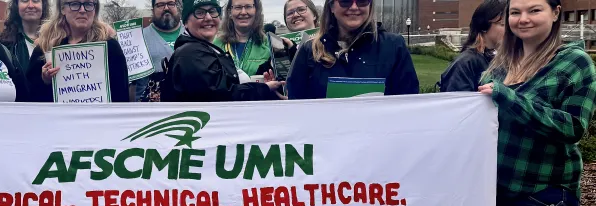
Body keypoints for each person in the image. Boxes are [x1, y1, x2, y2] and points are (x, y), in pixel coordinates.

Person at [477, 0, 592, 206]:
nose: (523, 19)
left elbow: (572, 127)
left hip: (540, 196)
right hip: (495, 193)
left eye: (534, 10)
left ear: (555, 12)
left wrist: (510, 99)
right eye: (515, 12)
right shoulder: (500, 64)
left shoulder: (574, 62)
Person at [286, 0, 419, 99]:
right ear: (331, 6)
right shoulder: (309, 50)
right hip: (326, 134)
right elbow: (297, 105)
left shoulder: (394, 46)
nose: (354, 7)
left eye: (362, 0)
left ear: (370, 5)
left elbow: (409, 103)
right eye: (345, 1)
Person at [160, 0, 282, 102]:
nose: (208, 18)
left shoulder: (205, 48)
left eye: (212, 11)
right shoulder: (190, 54)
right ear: (185, 22)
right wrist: (263, 88)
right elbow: (223, 96)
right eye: (200, 12)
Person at [26, 0, 129, 102]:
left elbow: (121, 97)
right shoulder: (45, 47)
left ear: (95, 9)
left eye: (88, 4)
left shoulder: (110, 47)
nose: (82, 10)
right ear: (62, 8)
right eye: (75, 4)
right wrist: (45, 81)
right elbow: (29, 97)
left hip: (99, 117)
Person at [439, 0, 505, 92]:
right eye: (503, 24)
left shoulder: (502, 60)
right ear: (483, 25)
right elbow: (457, 102)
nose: (508, 30)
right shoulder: (465, 63)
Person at [131, 0, 183, 102]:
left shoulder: (191, 32)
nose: (166, 8)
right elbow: (131, 84)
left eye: (171, 4)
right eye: (160, 5)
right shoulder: (138, 38)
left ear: (177, 7)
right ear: (152, 10)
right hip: (150, 111)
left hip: (189, 107)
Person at [212, 0, 271, 78]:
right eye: (238, 7)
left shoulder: (268, 45)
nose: (243, 12)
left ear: (256, 11)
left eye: (248, 7)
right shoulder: (216, 44)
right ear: (230, 12)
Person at [0, 0, 49, 73]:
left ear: (43, 5)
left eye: (35, 1)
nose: (30, 6)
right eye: (24, 1)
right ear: (16, 5)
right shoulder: (2, 43)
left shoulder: (56, 39)